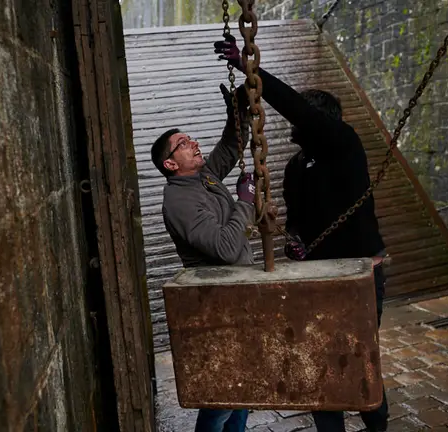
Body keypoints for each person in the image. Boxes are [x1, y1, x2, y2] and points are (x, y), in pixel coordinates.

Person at [214, 35, 389, 432]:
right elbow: (297, 219)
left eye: (301, 119)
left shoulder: (346, 145)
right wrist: (292, 238)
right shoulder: (297, 166)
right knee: (319, 361)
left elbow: (296, 107)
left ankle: (377, 426)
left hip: (360, 272)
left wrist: (250, 69)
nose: (293, 124)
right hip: (316, 276)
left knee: (358, 356)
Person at [151, 83, 254, 432]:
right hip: (219, 304)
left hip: (239, 294)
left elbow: (231, 146)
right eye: (183, 144)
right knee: (224, 396)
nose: (193, 143)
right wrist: (245, 201)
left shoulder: (204, 177)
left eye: (191, 138)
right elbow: (224, 249)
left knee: (241, 391)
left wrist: (236, 114)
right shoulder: (178, 201)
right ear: (169, 163)